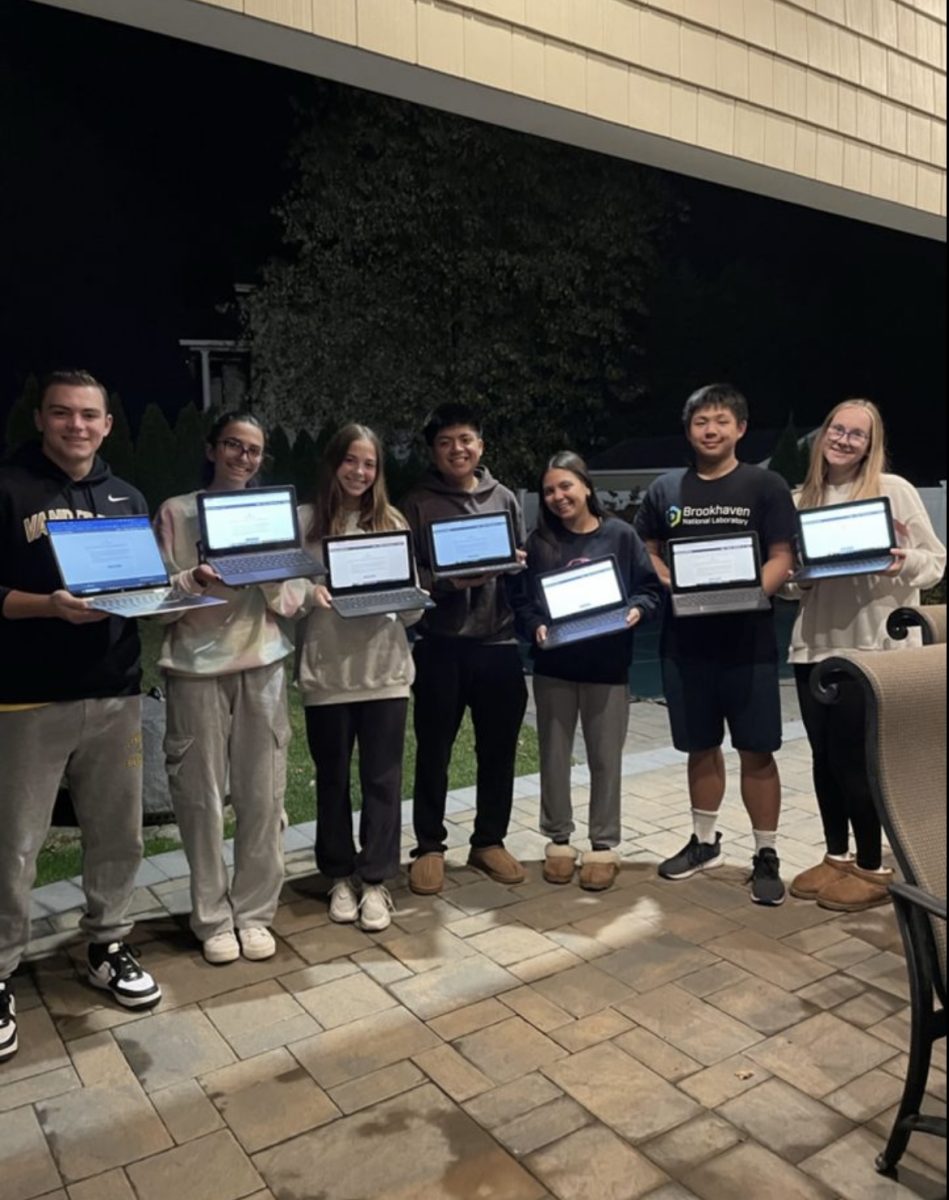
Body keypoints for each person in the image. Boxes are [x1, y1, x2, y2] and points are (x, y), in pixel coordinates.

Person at [0, 370, 162, 1064]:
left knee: (115, 833)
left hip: (114, 693)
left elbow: (141, 584)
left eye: (89, 415)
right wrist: (47, 607)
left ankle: (108, 942)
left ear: (106, 424)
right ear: (40, 419)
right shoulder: (9, 488)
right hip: (27, 697)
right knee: (15, 845)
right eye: (62, 414)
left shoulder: (127, 496)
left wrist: (169, 594)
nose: (76, 426)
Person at [635, 383, 796, 906]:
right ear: (689, 430)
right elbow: (647, 548)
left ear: (740, 428)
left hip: (747, 642)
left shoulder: (765, 485)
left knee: (757, 748)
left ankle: (766, 852)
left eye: (722, 421)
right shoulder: (666, 490)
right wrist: (668, 582)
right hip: (686, 643)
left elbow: (780, 555)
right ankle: (704, 843)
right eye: (701, 422)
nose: (711, 430)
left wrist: (751, 596)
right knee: (700, 746)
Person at [786, 399, 945, 912]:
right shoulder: (801, 499)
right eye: (838, 428)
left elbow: (935, 562)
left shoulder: (892, 491)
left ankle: (873, 868)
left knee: (857, 762)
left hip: (872, 646)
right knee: (823, 759)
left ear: (871, 444)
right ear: (823, 433)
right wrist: (798, 579)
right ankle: (836, 856)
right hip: (814, 643)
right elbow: (792, 586)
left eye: (858, 433)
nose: (845, 439)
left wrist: (901, 562)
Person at [154, 412, 297, 964]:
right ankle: (212, 917)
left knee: (264, 796)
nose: (243, 457)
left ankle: (256, 913)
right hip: (195, 668)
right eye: (234, 446)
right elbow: (156, 602)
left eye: (254, 450)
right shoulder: (176, 511)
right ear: (212, 448)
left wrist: (265, 570)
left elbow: (291, 597)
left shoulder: (271, 513)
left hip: (262, 663)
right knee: (201, 801)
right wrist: (196, 579)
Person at [296, 424, 422, 932]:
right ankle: (339, 874)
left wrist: (410, 598)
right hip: (328, 672)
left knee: (382, 781)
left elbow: (411, 612)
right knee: (332, 781)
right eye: (351, 460)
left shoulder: (391, 521)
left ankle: (374, 880)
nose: (360, 472)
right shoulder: (305, 524)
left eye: (369, 464)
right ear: (334, 463)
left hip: (385, 674)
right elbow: (287, 595)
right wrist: (311, 593)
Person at [401, 403, 528, 896]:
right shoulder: (417, 503)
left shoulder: (505, 499)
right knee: (433, 750)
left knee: (498, 750)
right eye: (446, 442)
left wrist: (515, 564)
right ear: (434, 451)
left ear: (481, 444)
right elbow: (410, 577)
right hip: (440, 646)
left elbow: (516, 563)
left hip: (498, 643)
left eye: (466, 439)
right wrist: (449, 582)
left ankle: (488, 840)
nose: (458, 449)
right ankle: (429, 845)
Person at [518, 452, 662, 890]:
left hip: (607, 665)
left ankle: (603, 844)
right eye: (549, 491)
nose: (558, 497)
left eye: (566, 486)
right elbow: (522, 601)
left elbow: (648, 590)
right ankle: (558, 840)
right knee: (554, 757)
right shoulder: (539, 542)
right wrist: (536, 625)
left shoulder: (621, 535)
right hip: (555, 665)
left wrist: (637, 610)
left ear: (585, 487)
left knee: (605, 759)